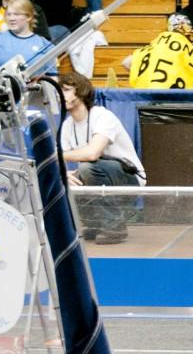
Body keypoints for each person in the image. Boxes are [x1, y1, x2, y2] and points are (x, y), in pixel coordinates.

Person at [60, 72, 146, 245]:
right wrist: (63, 173)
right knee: (66, 178)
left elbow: (93, 153)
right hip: (100, 176)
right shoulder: (68, 124)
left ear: (81, 91)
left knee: (87, 168)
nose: (61, 94)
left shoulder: (102, 116)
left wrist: (59, 159)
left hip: (129, 179)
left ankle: (114, 226)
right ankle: (95, 223)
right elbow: (59, 160)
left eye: (66, 90)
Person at [124, 15, 193, 89]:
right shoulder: (186, 46)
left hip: (148, 95)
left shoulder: (157, 44)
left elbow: (126, 63)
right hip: (173, 97)